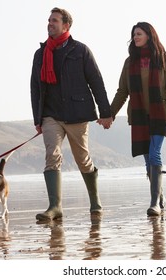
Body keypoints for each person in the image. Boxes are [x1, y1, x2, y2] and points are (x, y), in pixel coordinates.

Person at [30, 7, 112, 221]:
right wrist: (37, 118)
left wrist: (106, 112)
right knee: (52, 156)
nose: (50, 23)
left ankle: (95, 201)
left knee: (82, 159)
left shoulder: (80, 50)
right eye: (48, 20)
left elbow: (96, 81)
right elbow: (35, 88)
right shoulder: (40, 54)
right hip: (50, 115)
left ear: (66, 25)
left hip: (77, 112)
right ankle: (55, 206)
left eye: (54, 20)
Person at [109, 22, 166, 216]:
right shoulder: (129, 62)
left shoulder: (162, 58)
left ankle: (154, 204)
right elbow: (122, 91)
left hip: (160, 114)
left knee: (154, 155)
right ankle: (159, 196)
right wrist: (109, 114)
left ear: (149, 35)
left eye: (139, 33)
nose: (135, 37)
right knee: (147, 160)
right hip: (139, 115)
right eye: (133, 34)